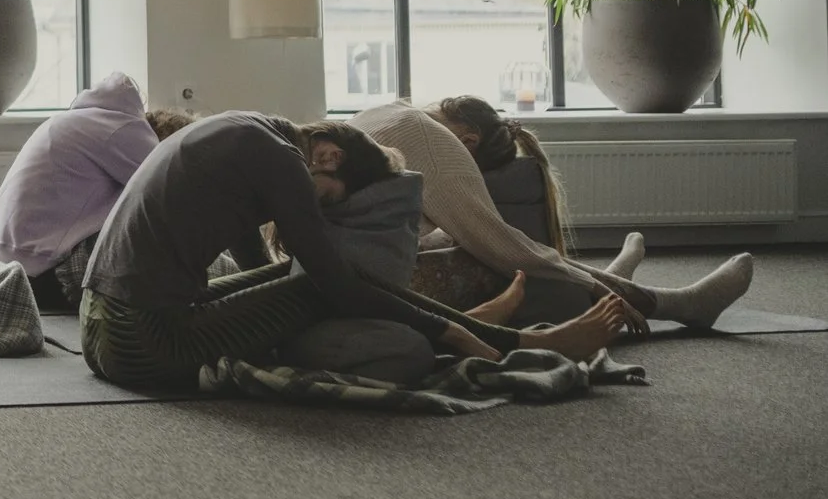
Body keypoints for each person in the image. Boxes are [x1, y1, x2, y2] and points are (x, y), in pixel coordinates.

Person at [78, 111, 630, 393]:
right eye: (327, 201)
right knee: (320, 284)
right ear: (328, 157)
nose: (316, 215)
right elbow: (333, 285)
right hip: (145, 345)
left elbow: (245, 239)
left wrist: (267, 291)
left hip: (97, 331)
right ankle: (502, 339)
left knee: (295, 284)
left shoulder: (241, 130)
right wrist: (450, 334)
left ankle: (478, 324)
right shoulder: (282, 161)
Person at [353, 98, 755, 330]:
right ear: (468, 141)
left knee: (460, 240)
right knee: (491, 257)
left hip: (339, 263)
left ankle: (620, 278)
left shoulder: (389, 110)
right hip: (368, 283)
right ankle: (677, 304)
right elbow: (499, 244)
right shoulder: (435, 143)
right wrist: (589, 281)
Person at [0, 72, 192, 311]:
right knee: (163, 237)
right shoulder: (124, 132)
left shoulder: (82, 120)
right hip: (38, 277)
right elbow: (179, 197)